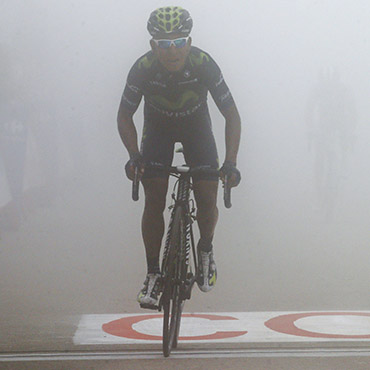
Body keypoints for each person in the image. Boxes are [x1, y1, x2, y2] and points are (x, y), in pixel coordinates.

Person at [117, 6, 241, 307]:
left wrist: (230, 163)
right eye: (163, 44)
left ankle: (206, 249)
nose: (171, 51)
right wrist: (134, 156)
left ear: (188, 42)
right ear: (152, 46)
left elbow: (232, 116)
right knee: (155, 197)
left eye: (177, 42)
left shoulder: (203, 63)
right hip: (157, 130)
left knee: (207, 195)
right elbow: (124, 115)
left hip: (196, 129)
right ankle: (153, 273)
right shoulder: (143, 68)